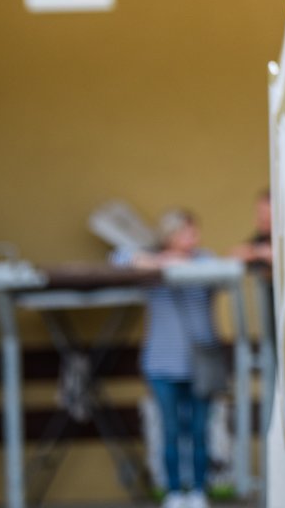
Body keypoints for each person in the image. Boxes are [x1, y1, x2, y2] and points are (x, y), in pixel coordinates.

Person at [118, 209, 220, 508]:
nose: (194, 238)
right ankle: (174, 491)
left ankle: (199, 490)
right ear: (170, 236)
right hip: (162, 364)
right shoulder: (151, 263)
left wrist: (178, 264)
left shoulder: (205, 261)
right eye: (187, 232)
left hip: (200, 365)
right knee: (170, 431)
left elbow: (221, 268)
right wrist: (160, 262)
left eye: (194, 232)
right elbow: (120, 259)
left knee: (201, 431)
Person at [233, 188, 272, 265]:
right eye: (258, 212)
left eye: (263, 212)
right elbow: (234, 253)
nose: (259, 218)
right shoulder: (262, 238)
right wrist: (259, 252)